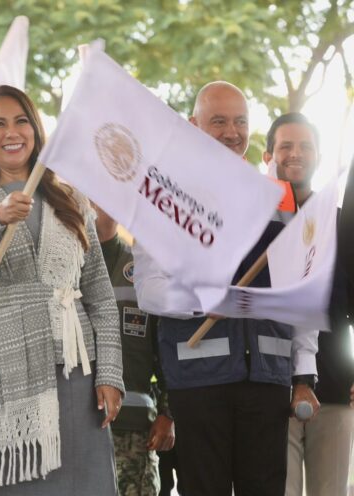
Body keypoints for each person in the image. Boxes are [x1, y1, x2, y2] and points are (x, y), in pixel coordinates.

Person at [133, 81, 318, 496]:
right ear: (193, 125)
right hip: (196, 380)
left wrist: (304, 373)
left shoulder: (278, 199)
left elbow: (301, 291)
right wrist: (207, 300)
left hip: (268, 380)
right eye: (218, 121)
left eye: (240, 122)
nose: (232, 132)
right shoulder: (163, 197)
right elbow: (149, 290)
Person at [0, 85, 124, 495]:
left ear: (36, 131)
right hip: (2, 371)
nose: (12, 132)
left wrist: (110, 373)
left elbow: (99, 294)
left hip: (74, 368)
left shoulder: (72, 199)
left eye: (21, 121)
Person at [273, 113, 354, 496]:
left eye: (305, 146)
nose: (296, 153)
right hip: (270, 388)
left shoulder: (341, 226)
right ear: (269, 155)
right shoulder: (258, 227)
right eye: (286, 145)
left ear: (318, 156)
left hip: (336, 387)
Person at [93, 205, 174, 496]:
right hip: (76, 427)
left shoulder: (142, 268)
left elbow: (166, 348)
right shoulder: (65, 263)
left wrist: (168, 413)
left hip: (135, 428)